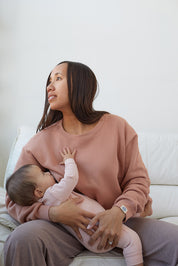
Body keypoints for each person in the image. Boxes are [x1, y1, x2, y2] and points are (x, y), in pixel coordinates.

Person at [4, 61, 178, 266]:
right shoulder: (38, 143)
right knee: (22, 239)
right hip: (63, 229)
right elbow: (14, 200)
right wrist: (53, 213)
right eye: (49, 81)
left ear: (81, 84)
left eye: (58, 78)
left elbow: (138, 181)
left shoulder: (117, 127)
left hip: (121, 222)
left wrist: (118, 213)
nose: (49, 86)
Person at [6, 147, 152, 266]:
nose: (48, 173)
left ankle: (140, 213)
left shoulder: (48, 200)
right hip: (99, 231)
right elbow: (71, 178)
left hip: (94, 228)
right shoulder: (54, 194)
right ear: (38, 192)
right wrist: (69, 160)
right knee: (132, 241)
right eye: (43, 175)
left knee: (115, 215)